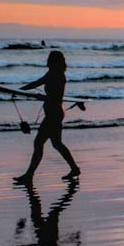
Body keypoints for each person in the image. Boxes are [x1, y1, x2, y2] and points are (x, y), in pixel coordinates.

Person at [13, 50, 81, 184]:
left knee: (39, 143)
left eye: (50, 58)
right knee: (57, 144)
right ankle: (74, 169)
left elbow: (55, 97)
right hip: (55, 113)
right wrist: (20, 91)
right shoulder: (53, 73)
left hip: (53, 114)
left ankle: (29, 175)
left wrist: (40, 96)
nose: (47, 60)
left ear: (53, 61)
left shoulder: (56, 75)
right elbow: (37, 83)